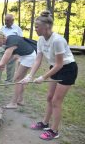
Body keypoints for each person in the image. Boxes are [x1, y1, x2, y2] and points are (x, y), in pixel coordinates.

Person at [21, 10, 78, 140]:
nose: (35, 29)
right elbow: (38, 59)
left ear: (46, 26)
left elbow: (60, 64)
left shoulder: (57, 40)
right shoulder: (40, 40)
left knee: (56, 101)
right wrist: (30, 75)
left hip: (67, 69)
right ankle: (45, 123)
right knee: (49, 97)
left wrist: (43, 77)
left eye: (36, 27)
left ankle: (54, 131)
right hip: (55, 68)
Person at [0, 31, 36, 108]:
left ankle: (13, 103)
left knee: (17, 79)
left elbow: (1, 64)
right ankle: (20, 100)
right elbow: (10, 57)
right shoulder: (8, 39)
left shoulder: (10, 45)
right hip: (23, 55)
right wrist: (5, 64)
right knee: (20, 79)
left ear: (2, 38)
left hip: (29, 56)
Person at [0, 14, 23, 85]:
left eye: (7, 20)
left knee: (10, 66)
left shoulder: (17, 29)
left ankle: (8, 81)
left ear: (12, 20)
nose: (6, 22)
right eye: (5, 20)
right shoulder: (2, 28)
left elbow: (21, 41)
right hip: (2, 48)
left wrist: (18, 53)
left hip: (12, 50)